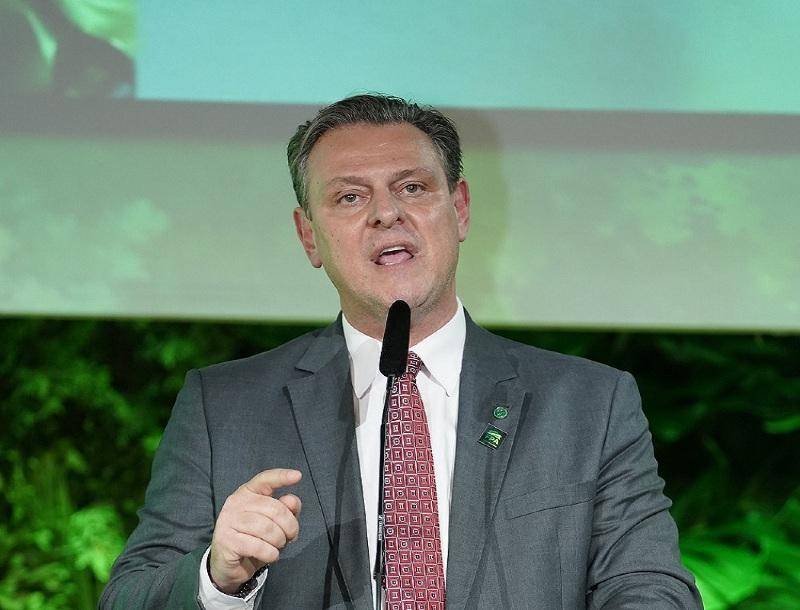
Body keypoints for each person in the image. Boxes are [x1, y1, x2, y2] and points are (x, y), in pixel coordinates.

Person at [100, 94, 702, 609]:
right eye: (349, 197)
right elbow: (128, 596)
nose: (387, 213)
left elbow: (652, 588)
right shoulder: (223, 406)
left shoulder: (590, 404)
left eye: (412, 188)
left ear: (459, 209)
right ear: (309, 237)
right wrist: (217, 576)